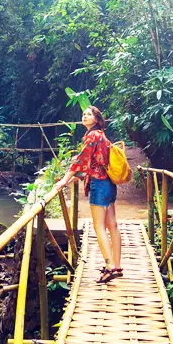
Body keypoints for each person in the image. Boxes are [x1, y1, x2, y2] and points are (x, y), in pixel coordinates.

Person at [53, 106, 123, 283]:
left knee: (99, 225)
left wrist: (64, 180)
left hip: (99, 185)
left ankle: (109, 267)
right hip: (109, 183)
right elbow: (96, 163)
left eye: (89, 114)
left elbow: (81, 159)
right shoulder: (102, 136)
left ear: (97, 119)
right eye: (83, 114)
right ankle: (117, 265)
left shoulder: (92, 136)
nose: (84, 116)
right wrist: (77, 178)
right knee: (112, 224)